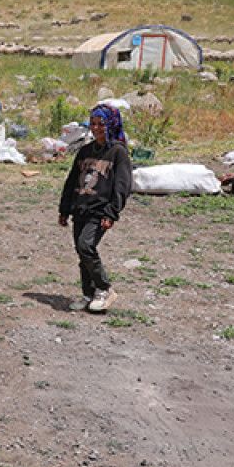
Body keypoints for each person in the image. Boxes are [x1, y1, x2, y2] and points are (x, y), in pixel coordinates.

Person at [59, 103, 132, 313]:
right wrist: (64, 209)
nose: (97, 128)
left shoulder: (118, 153)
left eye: (101, 124)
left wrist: (112, 212)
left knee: (86, 246)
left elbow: (122, 186)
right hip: (81, 208)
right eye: (93, 123)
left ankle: (104, 288)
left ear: (111, 124)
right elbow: (72, 181)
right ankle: (88, 294)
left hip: (100, 211)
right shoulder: (85, 151)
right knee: (82, 253)